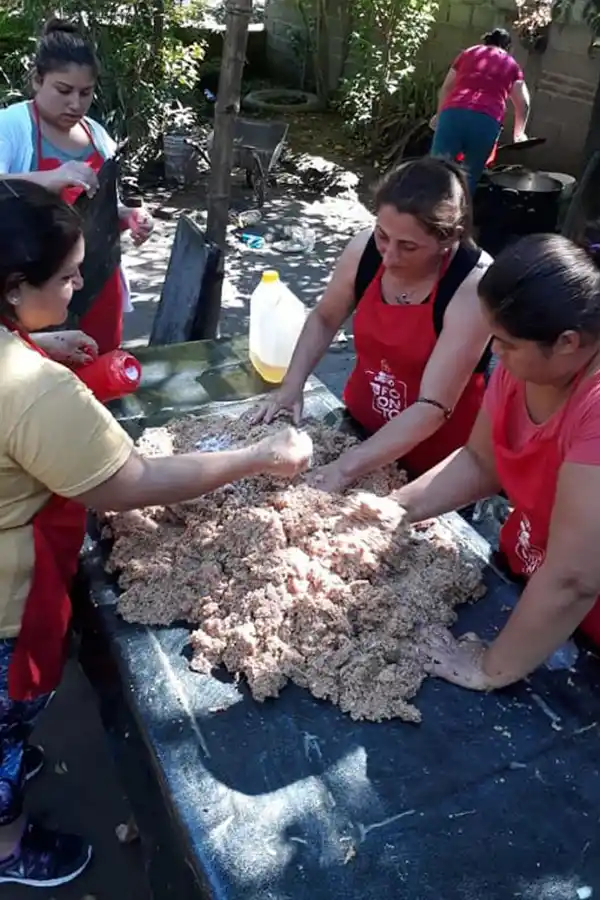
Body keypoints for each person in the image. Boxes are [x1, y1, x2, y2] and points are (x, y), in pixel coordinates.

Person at [0, 180, 312, 888]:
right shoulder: (30, 389)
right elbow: (127, 484)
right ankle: (9, 845)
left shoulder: (21, 359)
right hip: (4, 597)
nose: (81, 287)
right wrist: (259, 456)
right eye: (68, 276)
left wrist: (35, 340)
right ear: (15, 286)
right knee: (6, 717)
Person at [364, 234, 600, 692]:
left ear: (569, 342)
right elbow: (479, 461)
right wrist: (392, 511)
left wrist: (487, 667)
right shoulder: (524, 367)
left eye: (507, 343)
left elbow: (575, 577)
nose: (495, 353)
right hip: (531, 568)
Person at [254, 158, 492, 492]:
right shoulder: (364, 249)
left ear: (448, 240)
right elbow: (325, 317)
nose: (389, 256)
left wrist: (345, 469)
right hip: (361, 425)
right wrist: (291, 385)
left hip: (433, 460)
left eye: (408, 246)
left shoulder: (472, 285)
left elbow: (433, 406)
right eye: (383, 236)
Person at [0, 18, 154, 355]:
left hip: (98, 282)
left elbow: (98, 208)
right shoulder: (11, 126)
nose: (75, 103)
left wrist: (128, 216)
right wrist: (44, 180)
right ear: (37, 81)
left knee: (100, 366)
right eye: (63, 90)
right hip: (35, 290)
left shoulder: (98, 137)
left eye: (85, 93)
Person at [430, 28, 531, 193]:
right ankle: (456, 215)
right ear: (508, 48)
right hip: (486, 120)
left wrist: (440, 115)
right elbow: (523, 103)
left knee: (436, 172)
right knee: (468, 178)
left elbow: (447, 87)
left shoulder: (469, 53)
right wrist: (519, 133)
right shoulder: (510, 64)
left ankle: (423, 214)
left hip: (453, 114)